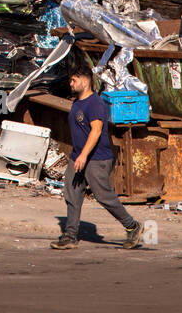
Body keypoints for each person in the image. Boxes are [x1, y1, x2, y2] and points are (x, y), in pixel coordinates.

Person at [51, 65, 142, 250]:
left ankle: (132, 226)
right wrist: (78, 155)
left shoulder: (95, 103)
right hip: (78, 157)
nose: (71, 84)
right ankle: (70, 235)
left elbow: (96, 130)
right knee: (72, 195)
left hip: (96, 159)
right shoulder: (77, 102)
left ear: (85, 81)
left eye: (74, 80)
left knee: (103, 196)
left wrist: (84, 155)